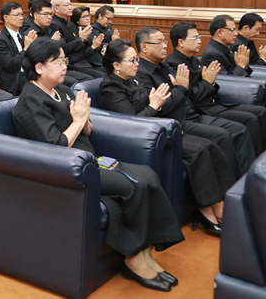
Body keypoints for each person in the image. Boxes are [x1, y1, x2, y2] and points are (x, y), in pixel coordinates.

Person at [14, 38, 184, 292]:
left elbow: (86, 130)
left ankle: (146, 250)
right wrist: (78, 120)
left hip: (90, 159)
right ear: (39, 67)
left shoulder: (63, 90)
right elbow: (56, 147)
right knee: (132, 184)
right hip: (69, 168)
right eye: (58, 61)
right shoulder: (30, 101)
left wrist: (86, 119)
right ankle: (133, 257)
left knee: (148, 174)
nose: (64, 66)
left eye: (65, 60)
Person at [99, 39, 236, 235]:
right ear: (116, 65)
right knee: (200, 150)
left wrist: (161, 100)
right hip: (141, 139)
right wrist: (154, 106)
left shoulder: (133, 80)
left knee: (209, 145)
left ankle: (221, 203)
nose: (137, 64)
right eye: (132, 61)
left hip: (158, 129)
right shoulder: (110, 87)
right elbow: (130, 124)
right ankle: (209, 211)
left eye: (137, 60)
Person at [134, 27, 255, 178]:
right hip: (179, 121)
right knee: (222, 136)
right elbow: (163, 106)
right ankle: (231, 188)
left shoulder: (164, 66)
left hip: (195, 112)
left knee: (239, 129)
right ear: (144, 46)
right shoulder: (141, 73)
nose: (165, 46)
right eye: (159, 43)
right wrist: (180, 88)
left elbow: (190, 92)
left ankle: (248, 178)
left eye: (165, 42)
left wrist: (190, 86)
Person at [167, 22, 266, 155]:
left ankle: (264, 155)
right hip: (202, 110)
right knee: (247, 121)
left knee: (260, 113)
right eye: (195, 38)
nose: (200, 42)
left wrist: (210, 82)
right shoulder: (173, 64)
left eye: (199, 37)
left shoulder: (194, 60)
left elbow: (210, 85)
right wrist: (207, 82)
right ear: (181, 42)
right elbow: (189, 97)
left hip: (214, 103)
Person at [202, 15, 266, 138]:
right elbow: (225, 83)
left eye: (236, 30)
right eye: (232, 30)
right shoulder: (213, 53)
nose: (236, 34)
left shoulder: (224, 48)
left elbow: (241, 71)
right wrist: (241, 66)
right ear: (220, 32)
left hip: (245, 85)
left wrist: (244, 66)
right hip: (230, 95)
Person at [50, 0, 104, 81]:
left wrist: (87, 41)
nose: (70, 7)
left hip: (84, 61)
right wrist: (81, 39)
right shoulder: (54, 24)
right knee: (98, 79)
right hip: (72, 64)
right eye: (67, 5)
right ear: (56, 8)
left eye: (70, 4)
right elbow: (64, 48)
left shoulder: (70, 24)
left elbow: (79, 45)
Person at [0, 2, 36, 95]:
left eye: (22, 14)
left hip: (27, 73)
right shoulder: (0, 39)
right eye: (17, 15)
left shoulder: (22, 35)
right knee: (38, 89)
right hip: (14, 80)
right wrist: (26, 48)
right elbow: (11, 65)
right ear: (6, 18)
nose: (21, 18)